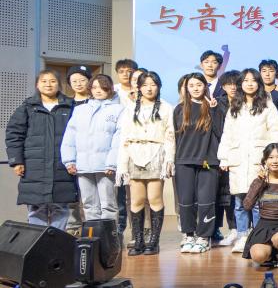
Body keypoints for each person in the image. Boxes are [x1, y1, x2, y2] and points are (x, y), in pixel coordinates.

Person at [219, 68, 278, 253]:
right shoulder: (235, 106)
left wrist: (274, 157)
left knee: (257, 202)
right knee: (240, 203)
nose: (249, 84)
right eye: (245, 80)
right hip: (238, 159)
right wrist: (224, 157)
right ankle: (242, 237)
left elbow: (275, 131)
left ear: (258, 83)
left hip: (259, 159)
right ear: (241, 84)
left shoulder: (267, 105)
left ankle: (258, 236)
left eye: (253, 80)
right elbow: (227, 133)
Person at [6, 70, 78, 230]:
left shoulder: (70, 106)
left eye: (52, 81)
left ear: (59, 84)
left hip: (62, 165)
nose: (48, 84)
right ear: (37, 85)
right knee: (36, 208)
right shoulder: (27, 107)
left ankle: (57, 241)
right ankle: (38, 241)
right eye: (44, 81)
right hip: (33, 166)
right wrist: (16, 161)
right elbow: (14, 134)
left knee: (60, 207)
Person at [116, 71, 174, 256]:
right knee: (136, 200)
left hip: (156, 153)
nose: (149, 88)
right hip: (134, 154)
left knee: (155, 198)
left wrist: (169, 159)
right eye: (145, 85)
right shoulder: (130, 108)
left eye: (153, 84)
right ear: (139, 87)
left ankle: (153, 242)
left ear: (159, 87)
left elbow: (170, 136)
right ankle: (139, 240)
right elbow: (124, 137)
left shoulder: (166, 107)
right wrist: (122, 164)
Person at [173, 73, 226, 254]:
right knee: (186, 201)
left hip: (208, 161)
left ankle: (204, 237)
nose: (195, 88)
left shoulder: (214, 107)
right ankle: (189, 235)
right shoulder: (179, 109)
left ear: (205, 86)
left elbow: (220, 132)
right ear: (186, 88)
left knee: (206, 201)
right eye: (191, 85)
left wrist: (214, 110)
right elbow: (176, 136)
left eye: (199, 84)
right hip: (184, 161)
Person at [62, 74, 122, 223]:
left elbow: (119, 139)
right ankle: (93, 235)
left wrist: (112, 163)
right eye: (94, 87)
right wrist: (69, 160)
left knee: (108, 205)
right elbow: (69, 136)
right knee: (88, 205)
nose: (98, 90)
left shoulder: (119, 109)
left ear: (110, 88)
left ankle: (109, 236)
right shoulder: (80, 110)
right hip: (83, 164)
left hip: (106, 166)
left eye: (103, 87)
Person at [240, 143, 278, 267]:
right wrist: (259, 182)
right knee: (258, 256)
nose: (275, 161)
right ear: (265, 160)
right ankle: (270, 255)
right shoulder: (260, 181)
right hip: (263, 226)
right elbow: (247, 206)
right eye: (270, 157)